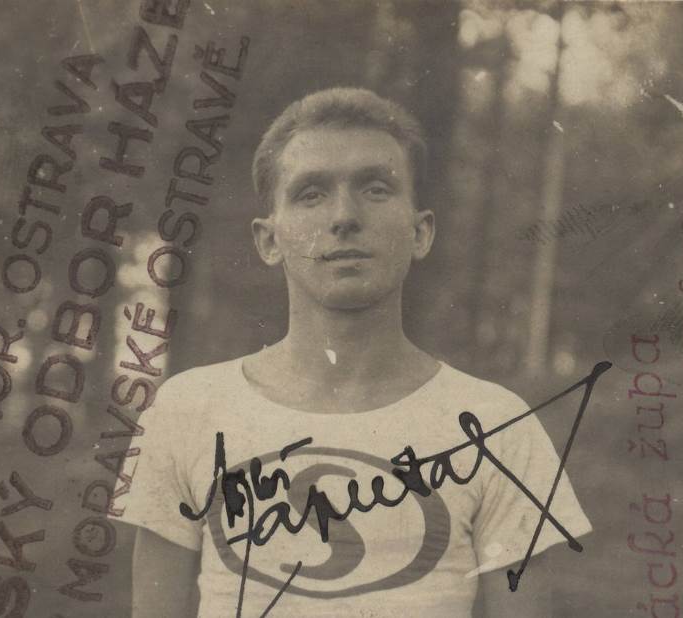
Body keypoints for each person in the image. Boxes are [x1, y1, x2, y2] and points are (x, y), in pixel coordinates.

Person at [114, 88, 592, 617]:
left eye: (376, 189)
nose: (344, 216)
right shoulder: (187, 409)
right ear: (269, 240)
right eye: (311, 194)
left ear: (421, 232)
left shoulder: (497, 426)